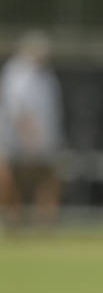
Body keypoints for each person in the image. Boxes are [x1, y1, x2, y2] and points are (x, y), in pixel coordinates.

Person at [0, 31, 65, 230]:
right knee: (9, 175)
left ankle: (44, 222)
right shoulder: (17, 73)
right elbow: (18, 109)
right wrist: (29, 137)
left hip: (46, 139)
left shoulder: (46, 76)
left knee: (49, 177)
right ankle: (12, 219)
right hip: (16, 138)